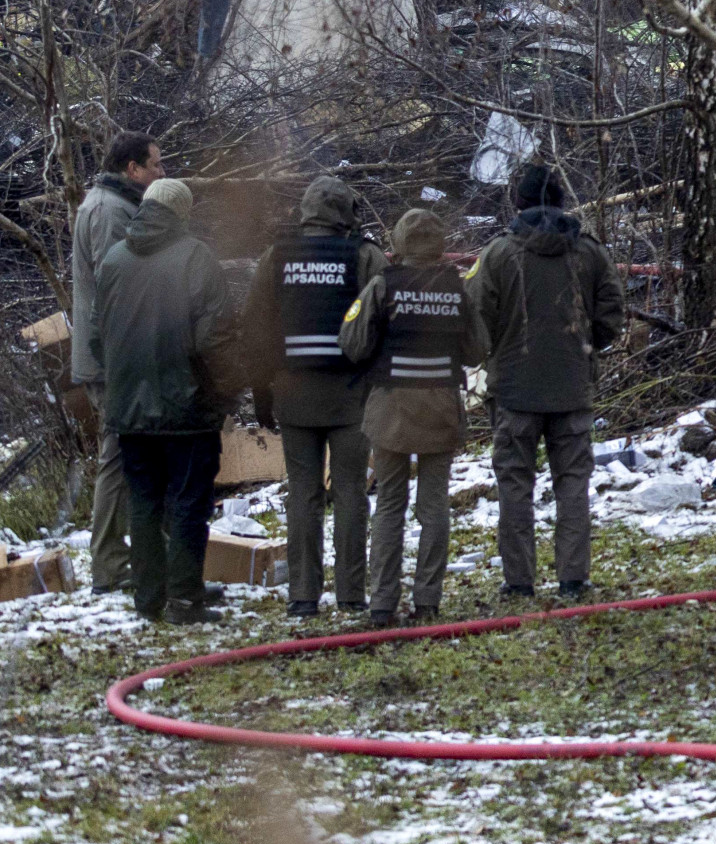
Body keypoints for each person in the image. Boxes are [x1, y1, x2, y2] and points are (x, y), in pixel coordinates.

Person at [469, 164, 625, 600]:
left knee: (515, 485)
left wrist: (495, 353)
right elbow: (612, 310)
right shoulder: (589, 252)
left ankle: (519, 582)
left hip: (515, 391)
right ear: (561, 202)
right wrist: (587, 344)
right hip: (572, 389)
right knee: (573, 483)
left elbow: (477, 318)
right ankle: (573, 578)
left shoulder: (498, 254)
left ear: (517, 202)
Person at [242, 176, 388, 620]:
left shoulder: (276, 258)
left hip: (293, 395)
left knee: (303, 494)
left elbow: (256, 327)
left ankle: (303, 595)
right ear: (346, 216)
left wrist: (261, 388)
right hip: (350, 397)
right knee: (349, 493)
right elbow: (384, 320)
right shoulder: (365, 256)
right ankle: (350, 594)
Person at [93, 179, 237, 623]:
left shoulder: (113, 260)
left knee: (143, 501)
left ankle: (149, 598)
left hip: (130, 410)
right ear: (182, 213)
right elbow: (216, 337)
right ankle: (186, 601)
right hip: (187, 408)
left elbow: (99, 338)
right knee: (190, 503)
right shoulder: (197, 256)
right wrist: (225, 391)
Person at [341, 207, 476, 628]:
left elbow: (353, 343)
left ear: (398, 242)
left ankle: (382, 604)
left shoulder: (383, 286)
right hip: (440, 409)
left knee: (389, 506)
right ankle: (428, 603)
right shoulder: (457, 289)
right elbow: (477, 350)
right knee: (434, 507)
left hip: (391, 410)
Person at [71, 130, 162, 594]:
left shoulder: (107, 203)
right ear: (132, 169)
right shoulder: (110, 211)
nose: (160, 173)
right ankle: (109, 566)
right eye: (155, 165)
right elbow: (117, 289)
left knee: (126, 455)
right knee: (118, 457)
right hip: (114, 358)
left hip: (113, 354)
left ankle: (122, 560)